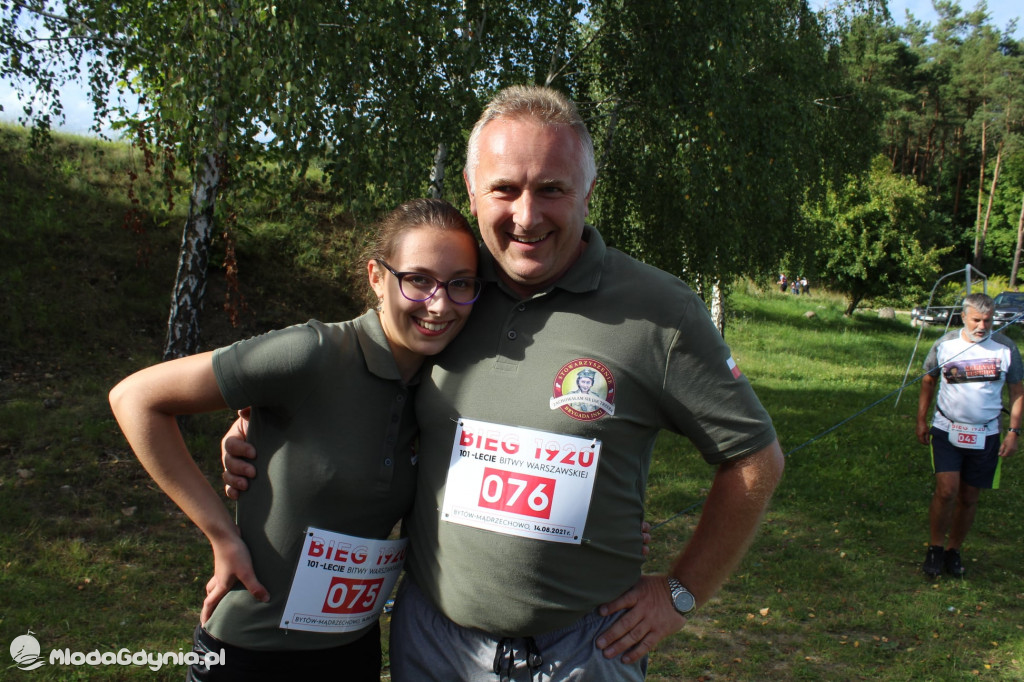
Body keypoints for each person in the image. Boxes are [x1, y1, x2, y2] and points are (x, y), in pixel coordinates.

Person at [224, 85, 784, 681]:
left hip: (584, 652)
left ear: (588, 192)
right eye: (504, 189)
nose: (526, 215)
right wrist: (263, 431)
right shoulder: (446, 296)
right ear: (471, 189)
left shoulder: (660, 313)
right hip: (433, 644)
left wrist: (680, 591)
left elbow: (754, 459)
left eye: (551, 189)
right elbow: (350, 385)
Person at [108, 198, 481, 681]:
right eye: (418, 279)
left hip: (353, 652)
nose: (439, 303)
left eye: (460, 285)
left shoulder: (437, 390)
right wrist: (221, 535)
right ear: (376, 276)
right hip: (249, 652)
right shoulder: (312, 353)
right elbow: (135, 398)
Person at [916, 292, 1022, 579]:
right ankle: (935, 549)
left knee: (969, 497)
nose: (982, 326)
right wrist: (921, 420)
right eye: (976, 320)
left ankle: (953, 550)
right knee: (946, 490)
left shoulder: (1005, 348)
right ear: (963, 317)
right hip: (947, 429)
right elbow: (928, 379)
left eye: (987, 321)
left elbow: (1017, 391)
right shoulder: (946, 344)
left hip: (986, 434)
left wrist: (1013, 432)